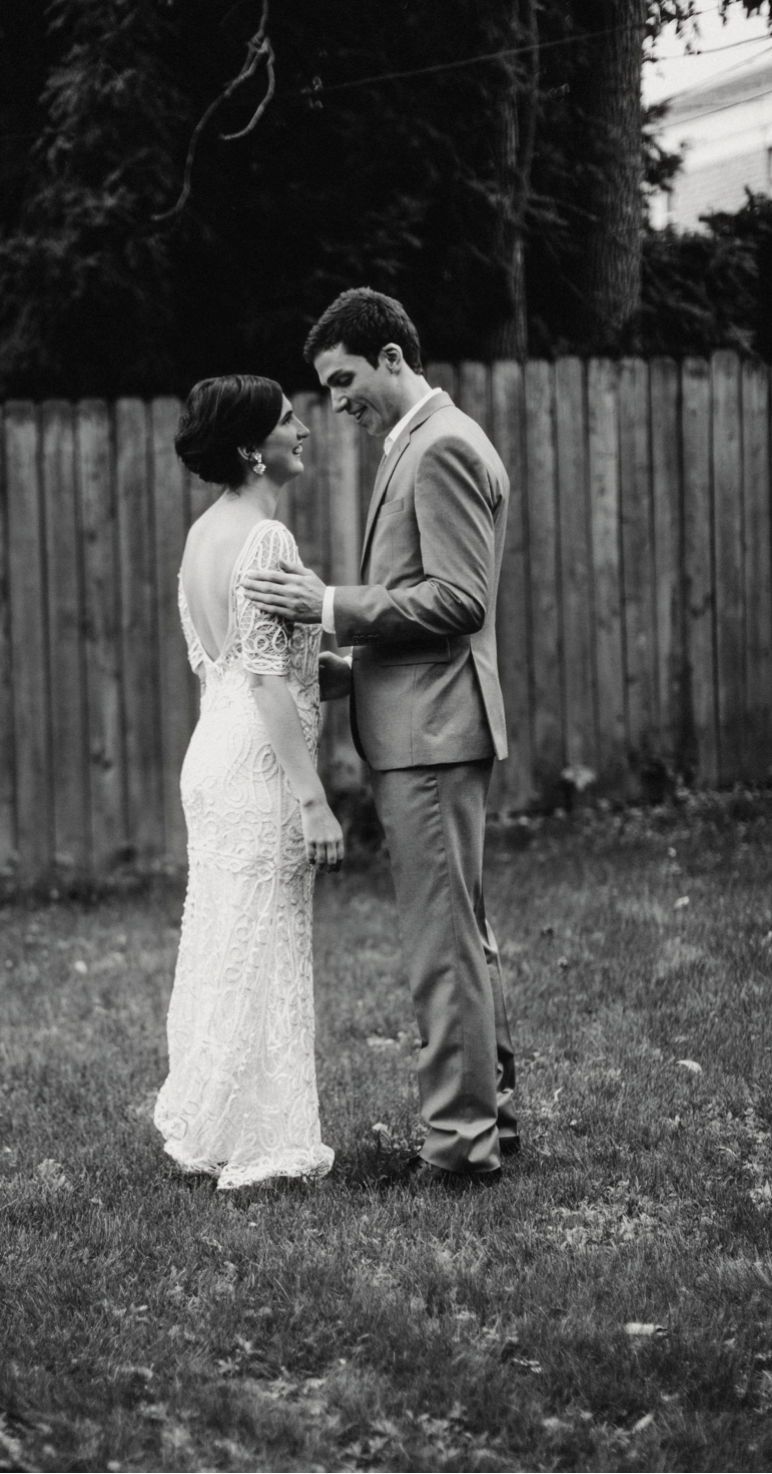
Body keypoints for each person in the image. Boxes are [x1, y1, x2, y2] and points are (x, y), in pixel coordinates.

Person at [242, 289, 518, 1187]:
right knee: (460, 941)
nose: (336, 403)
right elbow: (442, 618)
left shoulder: (438, 448)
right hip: (425, 718)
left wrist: (327, 606)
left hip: (433, 742)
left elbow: (459, 600)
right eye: (326, 389)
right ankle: (489, 1125)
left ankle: (461, 1150)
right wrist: (354, 671)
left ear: (392, 357)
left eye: (345, 380)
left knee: (442, 950)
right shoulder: (423, 443)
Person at [153, 374, 346, 1190]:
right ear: (249, 448)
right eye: (287, 421)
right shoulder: (267, 540)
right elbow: (266, 679)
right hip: (261, 768)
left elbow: (247, 671)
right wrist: (315, 800)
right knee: (262, 942)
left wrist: (349, 669)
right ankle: (269, 1139)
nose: (303, 428)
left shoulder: (203, 537)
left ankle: (218, 1123)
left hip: (214, 756)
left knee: (228, 939)